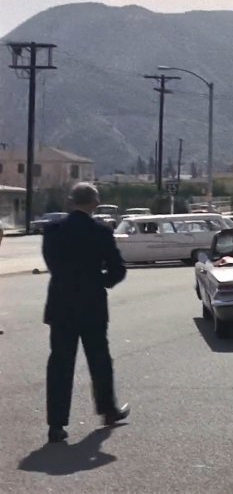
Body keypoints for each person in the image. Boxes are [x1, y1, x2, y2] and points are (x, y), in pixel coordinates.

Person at [42, 183, 129, 444]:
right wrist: (100, 280)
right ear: (94, 202)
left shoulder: (53, 230)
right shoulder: (101, 231)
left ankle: (56, 424)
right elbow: (117, 269)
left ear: (70, 201)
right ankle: (107, 409)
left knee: (60, 363)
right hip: (91, 303)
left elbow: (52, 264)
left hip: (61, 303)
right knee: (99, 358)